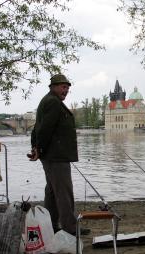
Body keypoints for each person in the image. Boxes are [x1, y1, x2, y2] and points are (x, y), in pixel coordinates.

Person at [29, 74, 87, 236]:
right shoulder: (53, 102)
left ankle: (51, 225)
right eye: (63, 87)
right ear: (53, 87)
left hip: (52, 155)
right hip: (56, 156)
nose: (66, 90)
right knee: (63, 191)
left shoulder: (48, 101)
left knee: (53, 191)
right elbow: (44, 129)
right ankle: (70, 228)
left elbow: (37, 128)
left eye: (68, 87)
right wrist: (38, 149)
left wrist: (36, 148)